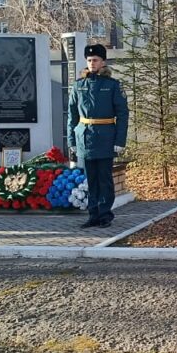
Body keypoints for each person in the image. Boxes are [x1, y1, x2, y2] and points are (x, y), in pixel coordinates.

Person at [67, 44, 129, 228]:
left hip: (105, 137)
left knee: (104, 179)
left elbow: (123, 114)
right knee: (91, 179)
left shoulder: (112, 85)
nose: (92, 63)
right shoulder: (79, 85)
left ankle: (105, 215)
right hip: (85, 137)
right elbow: (72, 115)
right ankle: (93, 215)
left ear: (103, 62)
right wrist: (71, 141)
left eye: (95, 60)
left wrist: (120, 141)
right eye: (89, 60)